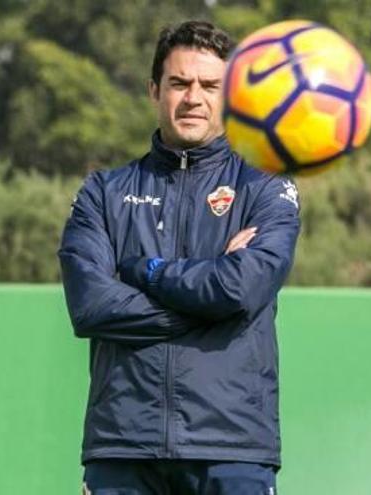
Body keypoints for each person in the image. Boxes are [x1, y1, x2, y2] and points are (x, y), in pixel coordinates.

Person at [58, 19, 300, 495]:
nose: (193, 97)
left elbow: (239, 288)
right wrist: (208, 306)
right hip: (123, 446)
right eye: (179, 83)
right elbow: (92, 307)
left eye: (209, 85)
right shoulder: (103, 193)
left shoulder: (267, 187)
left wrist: (145, 271)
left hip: (232, 448)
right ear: (155, 90)